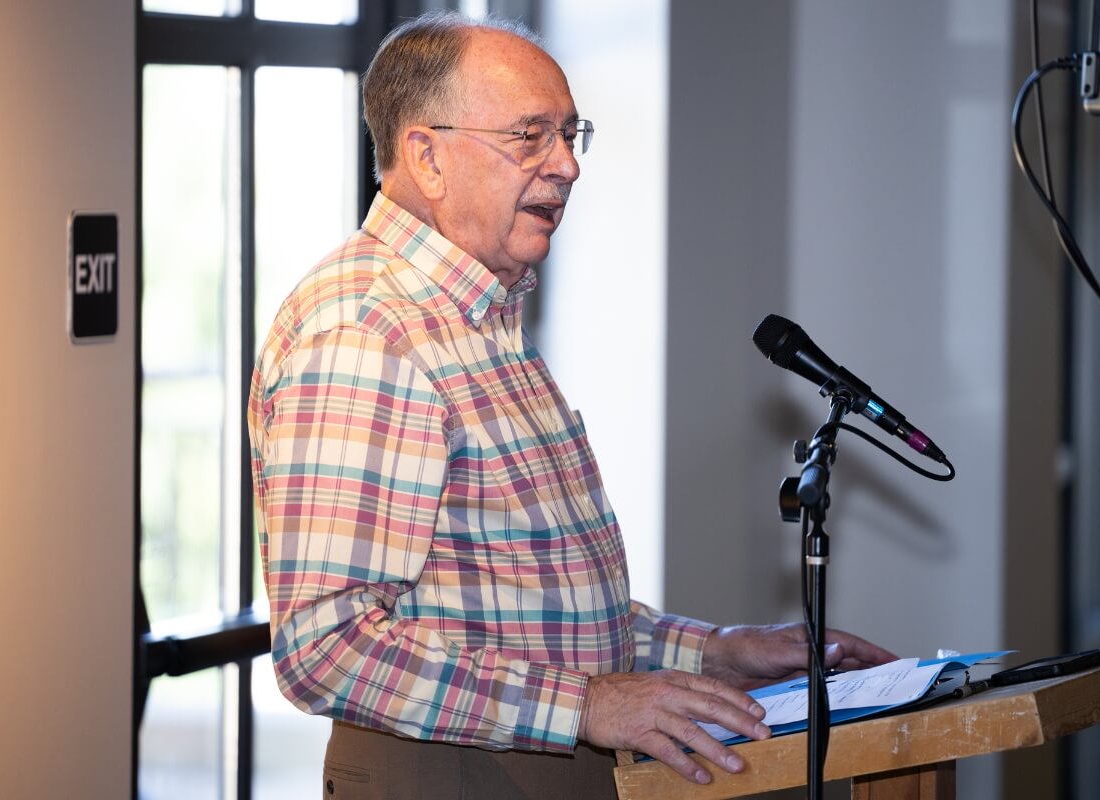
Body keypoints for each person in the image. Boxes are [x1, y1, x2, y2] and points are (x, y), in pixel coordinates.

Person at [247, 10, 895, 799]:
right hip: (453, 774)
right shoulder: (369, 332)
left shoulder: (478, 316)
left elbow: (531, 607)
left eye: (569, 134)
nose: (566, 167)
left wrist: (716, 652)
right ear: (427, 155)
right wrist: (585, 703)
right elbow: (327, 649)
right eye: (530, 136)